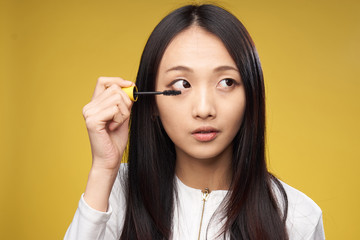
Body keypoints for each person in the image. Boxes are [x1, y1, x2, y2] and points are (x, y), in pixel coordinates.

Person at [64, 4, 325, 240]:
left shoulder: (299, 216)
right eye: (182, 84)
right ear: (152, 102)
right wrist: (103, 170)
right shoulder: (114, 193)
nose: (204, 109)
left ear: (251, 97)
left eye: (227, 82)